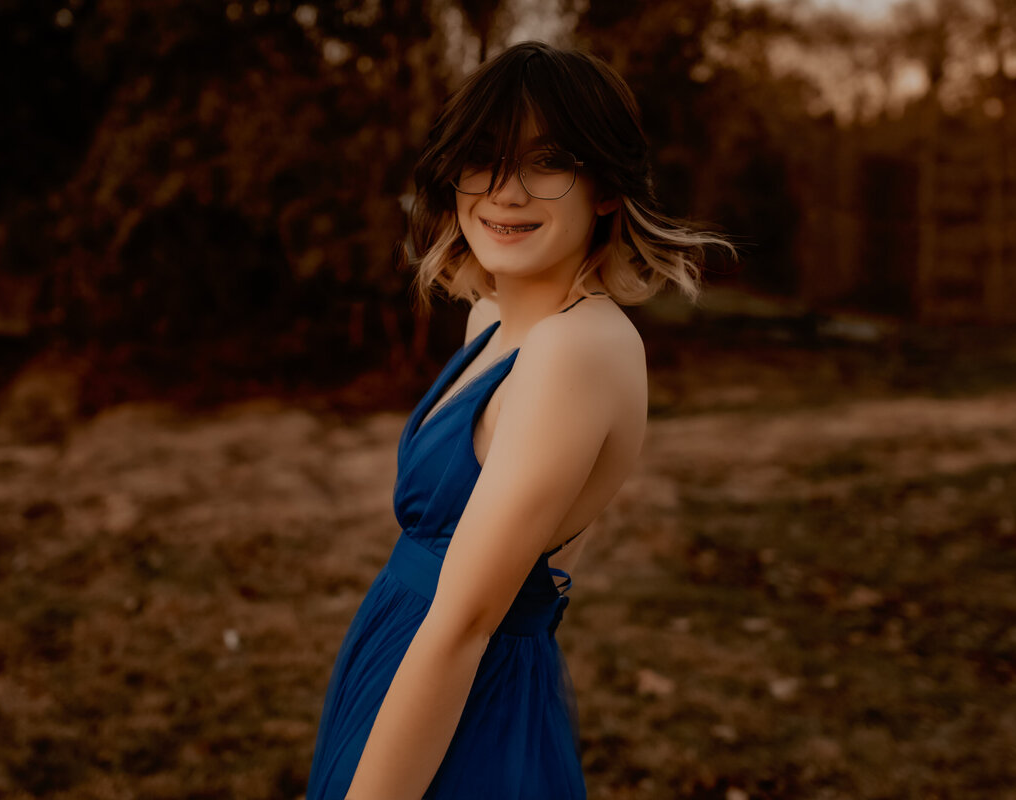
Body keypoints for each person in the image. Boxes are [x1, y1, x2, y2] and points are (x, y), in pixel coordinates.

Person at [306, 41, 734, 800]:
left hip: (463, 703)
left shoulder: (579, 349)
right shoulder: (490, 319)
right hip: (398, 663)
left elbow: (468, 623)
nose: (505, 192)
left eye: (546, 161)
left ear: (605, 186)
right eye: (482, 159)